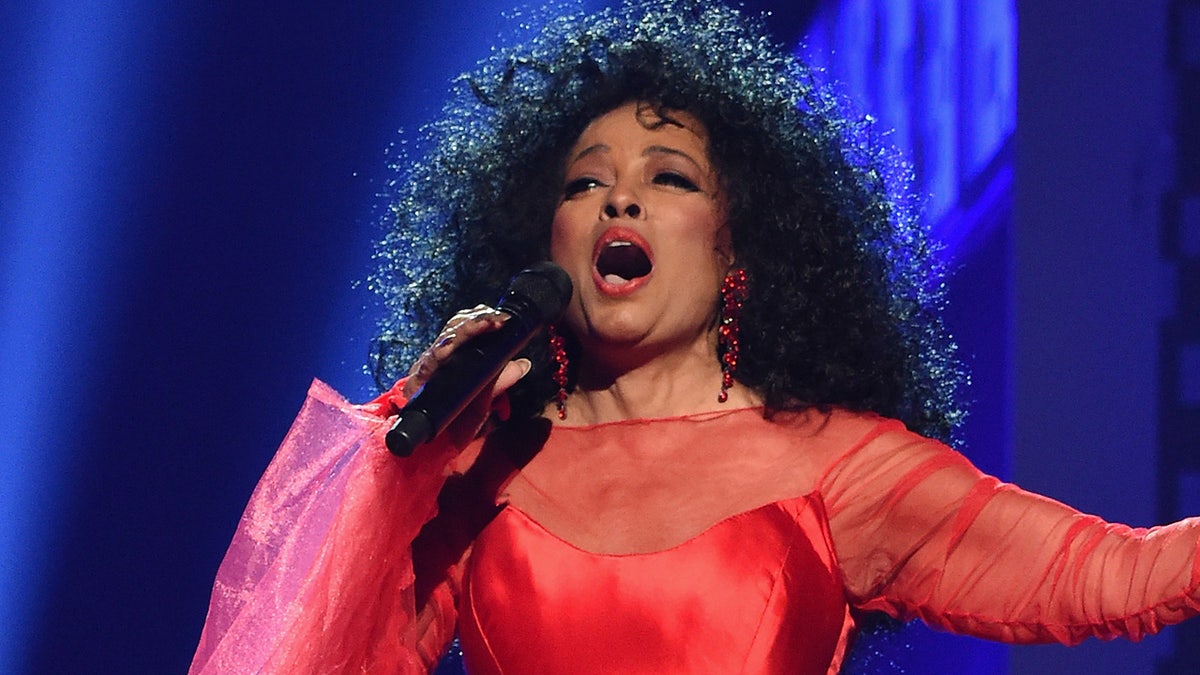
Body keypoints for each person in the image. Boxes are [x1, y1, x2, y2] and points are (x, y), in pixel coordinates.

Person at [189, 1, 1200, 673]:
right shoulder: (475, 470)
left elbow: (1110, 576)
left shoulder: (838, 464)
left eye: (668, 177)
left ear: (737, 252)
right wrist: (403, 458)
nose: (617, 193)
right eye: (584, 180)